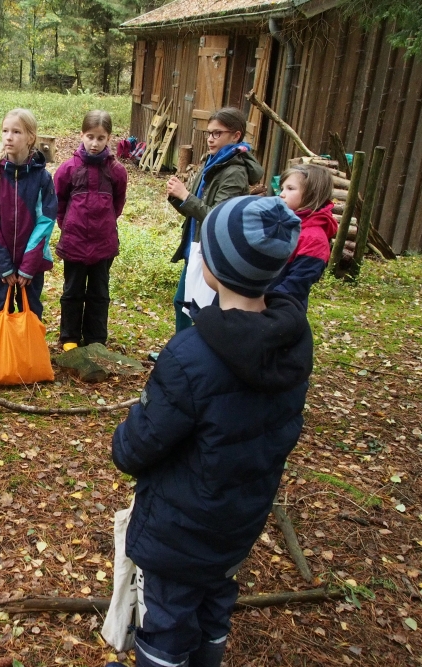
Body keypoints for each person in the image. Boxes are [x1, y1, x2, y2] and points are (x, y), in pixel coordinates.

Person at [111, 196, 311, 667]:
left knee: (166, 619)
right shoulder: (292, 342)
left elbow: (138, 445)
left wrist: (122, 439)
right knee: (215, 604)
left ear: (212, 269)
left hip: (179, 532)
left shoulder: (189, 356)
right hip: (238, 522)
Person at [165, 107, 264, 333]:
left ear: (236, 135)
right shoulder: (211, 162)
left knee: (200, 309)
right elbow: (193, 210)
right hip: (196, 245)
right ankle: (182, 352)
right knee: (182, 303)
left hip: (213, 251)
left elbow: (218, 218)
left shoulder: (234, 171)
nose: (210, 139)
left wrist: (185, 196)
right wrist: (176, 197)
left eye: (217, 133)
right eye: (208, 133)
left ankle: (193, 357)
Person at [0, 109, 58, 336]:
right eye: (5, 131)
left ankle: (28, 357)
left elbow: (46, 221)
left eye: (16, 132)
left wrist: (28, 265)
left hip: (31, 264)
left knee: (30, 309)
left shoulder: (42, 178)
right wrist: (3, 265)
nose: (9, 137)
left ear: (30, 137)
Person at [54, 110, 128, 351]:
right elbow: (59, 202)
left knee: (99, 293)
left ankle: (96, 338)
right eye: (90, 136)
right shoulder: (68, 169)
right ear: (81, 135)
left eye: (101, 138)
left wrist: (103, 224)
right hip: (74, 243)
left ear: (109, 138)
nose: (94, 143)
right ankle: (69, 337)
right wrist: (69, 226)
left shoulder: (117, 171)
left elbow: (118, 203)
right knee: (72, 291)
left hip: (103, 244)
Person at [269, 163, 337, 309]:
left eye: (290, 189)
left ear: (311, 193)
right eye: (282, 189)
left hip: (280, 310)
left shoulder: (314, 239)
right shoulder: (282, 223)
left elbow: (296, 284)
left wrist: (264, 304)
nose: (281, 194)